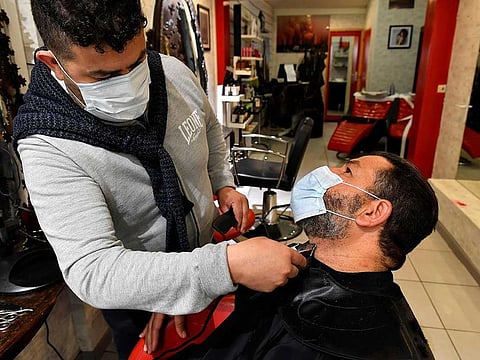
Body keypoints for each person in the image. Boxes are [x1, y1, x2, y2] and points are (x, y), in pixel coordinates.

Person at [12, 1, 306, 358]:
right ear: (53, 64)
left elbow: (210, 128)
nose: (130, 84)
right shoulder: (48, 146)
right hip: (138, 302)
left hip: (206, 257)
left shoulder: (171, 72)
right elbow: (94, 270)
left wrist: (222, 182)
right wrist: (224, 266)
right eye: (103, 76)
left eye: (136, 62)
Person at [152, 151, 438, 359]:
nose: (328, 170)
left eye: (347, 171)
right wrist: (189, 289)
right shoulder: (308, 259)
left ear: (372, 213)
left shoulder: (348, 344)